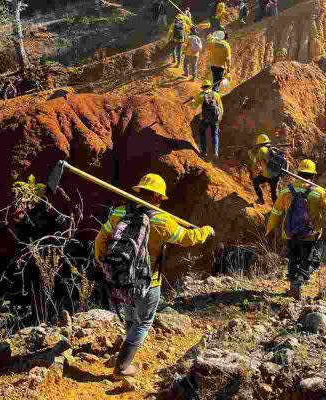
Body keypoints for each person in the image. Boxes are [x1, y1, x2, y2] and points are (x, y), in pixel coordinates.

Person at [95, 173, 215, 378]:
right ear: (158, 198)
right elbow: (187, 238)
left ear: (139, 191)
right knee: (144, 322)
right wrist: (205, 231)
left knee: (131, 316)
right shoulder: (162, 221)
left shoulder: (119, 213)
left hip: (122, 277)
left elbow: (100, 240)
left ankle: (125, 350)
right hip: (148, 282)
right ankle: (122, 367)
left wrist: (105, 265)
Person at [265, 159, 326, 300]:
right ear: (313, 175)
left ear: (298, 173)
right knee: (311, 262)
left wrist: (269, 229)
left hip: (290, 234)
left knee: (293, 260)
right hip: (310, 235)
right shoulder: (318, 192)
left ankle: (293, 285)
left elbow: (276, 213)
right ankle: (298, 283)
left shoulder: (286, 191)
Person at [191, 80, 223, 159]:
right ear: (210, 87)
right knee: (215, 135)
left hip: (204, 118)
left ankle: (204, 152)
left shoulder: (201, 95)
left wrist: (193, 101)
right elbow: (221, 107)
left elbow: (194, 106)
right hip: (215, 118)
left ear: (203, 88)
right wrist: (219, 117)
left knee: (202, 133)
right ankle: (215, 152)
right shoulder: (216, 94)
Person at [248, 133, 280, 204]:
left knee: (255, 182)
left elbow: (255, 160)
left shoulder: (262, 149)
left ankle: (261, 199)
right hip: (275, 176)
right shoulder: (273, 149)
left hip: (267, 175)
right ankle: (278, 211)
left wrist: (250, 153)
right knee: (274, 194)